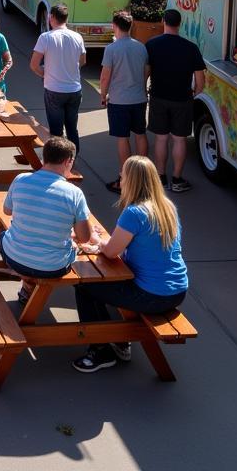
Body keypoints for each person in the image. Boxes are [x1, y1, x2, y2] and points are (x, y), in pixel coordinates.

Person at [72, 156, 189, 373]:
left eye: (123, 176)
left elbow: (111, 252)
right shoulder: (167, 207)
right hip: (177, 292)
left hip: (151, 296)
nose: (121, 179)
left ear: (132, 181)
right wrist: (102, 243)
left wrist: (97, 243)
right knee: (112, 286)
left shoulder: (134, 213)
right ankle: (118, 340)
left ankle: (101, 349)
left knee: (86, 286)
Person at [0, 136, 91, 303]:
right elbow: (85, 237)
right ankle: (28, 286)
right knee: (73, 248)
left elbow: (7, 210)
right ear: (68, 161)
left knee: (4, 236)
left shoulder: (21, 179)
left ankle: (27, 285)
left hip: (13, 258)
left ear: (44, 157)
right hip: (52, 267)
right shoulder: (74, 193)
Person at [145, 9, 205, 192]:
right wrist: (194, 93)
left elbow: (145, 73)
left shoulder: (152, 44)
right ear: (180, 23)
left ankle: (161, 177)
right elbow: (201, 80)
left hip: (158, 97)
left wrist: (144, 90)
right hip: (182, 99)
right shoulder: (191, 47)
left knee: (161, 138)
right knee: (179, 140)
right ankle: (177, 180)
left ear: (163, 21)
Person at [99, 10, 150, 194]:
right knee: (140, 134)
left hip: (119, 100)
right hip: (139, 98)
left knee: (123, 138)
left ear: (114, 26)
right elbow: (146, 71)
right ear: (131, 26)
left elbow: (105, 77)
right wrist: (142, 87)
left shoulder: (111, 49)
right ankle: (144, 174)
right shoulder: (141, 47)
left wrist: (103, 95)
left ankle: (125, 177)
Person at [30, 4, 87, 154]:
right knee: (72, 127)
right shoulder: (77, 37)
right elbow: (82, 61)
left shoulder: (45, 38)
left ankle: (58, 161)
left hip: (54, 91)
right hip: (74, 90)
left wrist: (46, 74)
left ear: (52, 18)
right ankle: (73, 159)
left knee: (56, 132)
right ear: (66, 19)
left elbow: (34, 65)